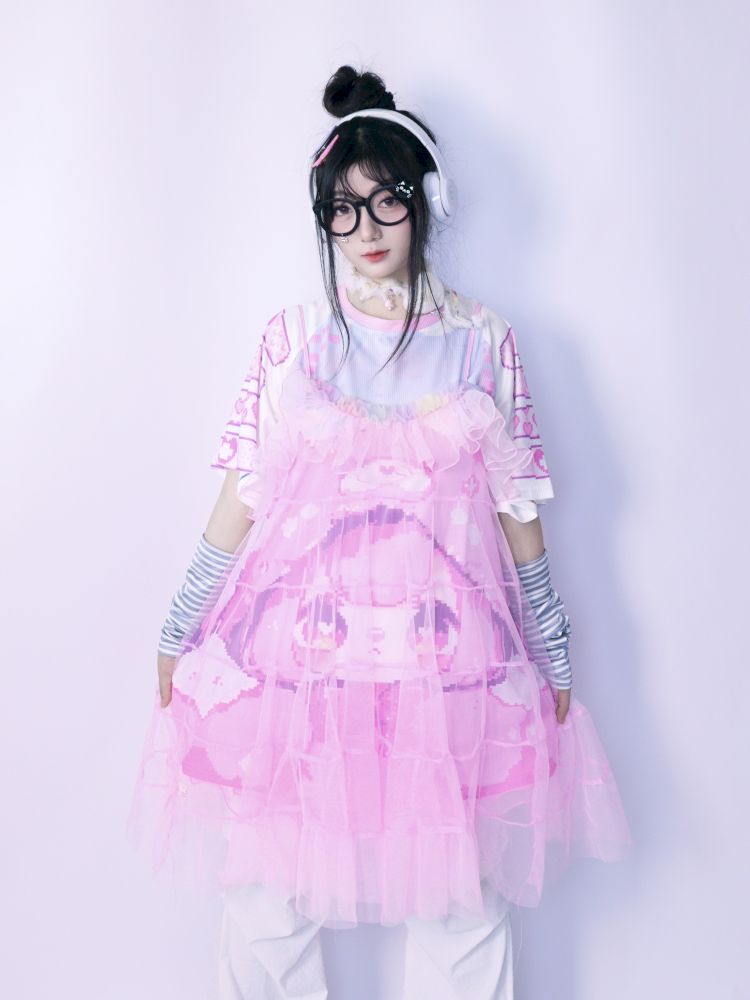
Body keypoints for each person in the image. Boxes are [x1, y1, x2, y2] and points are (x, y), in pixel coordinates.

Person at [127, 65, 634, 1000]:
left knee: (459, 894)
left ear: (427, 199)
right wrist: (181, 619)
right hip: (301, 654)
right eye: (343, 210)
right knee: (270, 887)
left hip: (448, 657)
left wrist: (553, 646)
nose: (366, 229)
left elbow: (519, 511)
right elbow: (244, 492)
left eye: (387, 200)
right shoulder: (294, 337)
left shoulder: (482, 339)